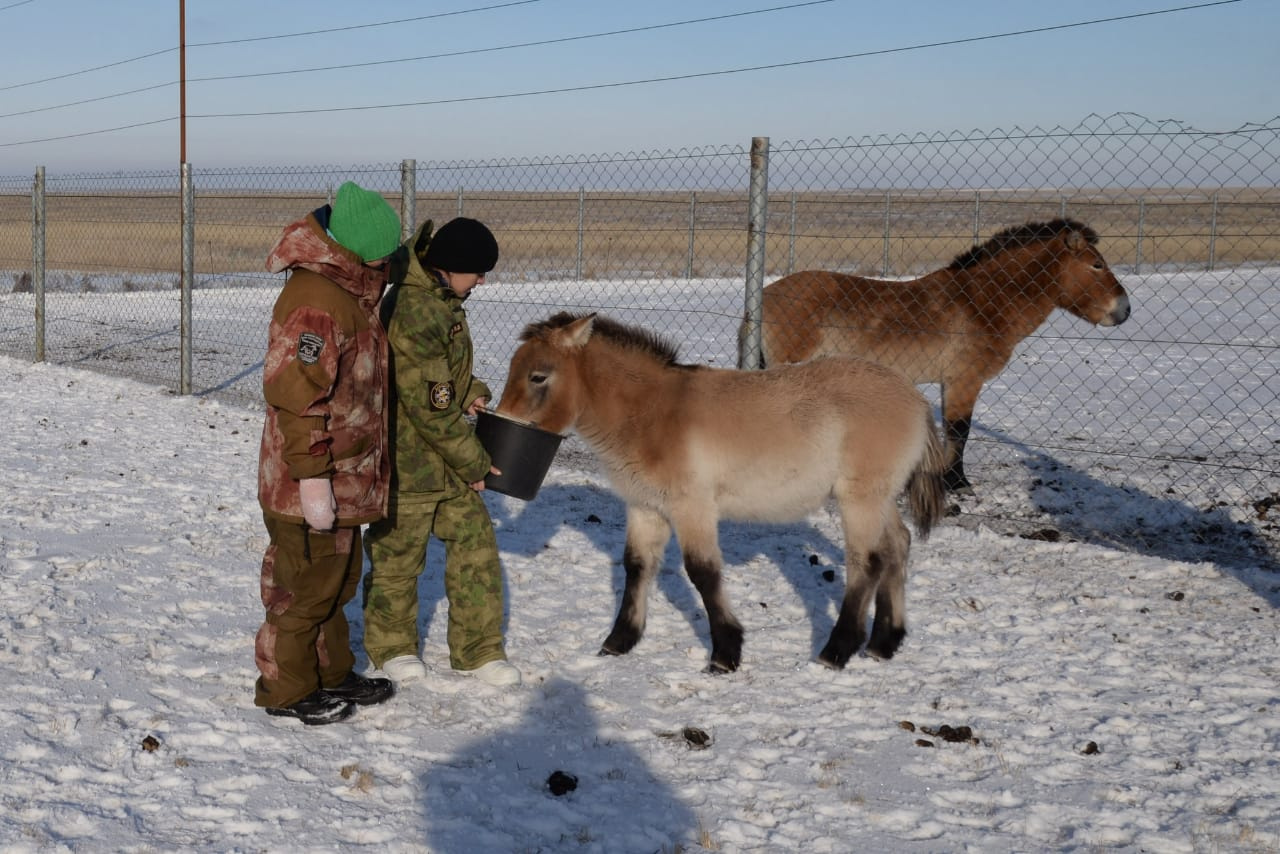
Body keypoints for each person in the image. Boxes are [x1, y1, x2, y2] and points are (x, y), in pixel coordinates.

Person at [254, 181, 403, 724]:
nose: (390, 262)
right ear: (356, 250)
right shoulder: (317, 305)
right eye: (383, 254)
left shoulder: (348, 291)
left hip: (341, 478)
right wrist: (314, 482)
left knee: (334, 585)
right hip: (307, 485)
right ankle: (288, 690)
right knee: (303, 594)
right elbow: (295, 399)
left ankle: (332, 674)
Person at [362, 216, 521, 688]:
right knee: (398, 559)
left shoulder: (442, 299)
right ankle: (391, 647)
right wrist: (474, 462)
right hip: (406, 460)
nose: (483, 281)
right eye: (478, 272)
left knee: (476, 549)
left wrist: (468, 387)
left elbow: (438, 375)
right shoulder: (416, 308)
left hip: (443, 458)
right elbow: (428, 407)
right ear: (449, 268)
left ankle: (478, 650)